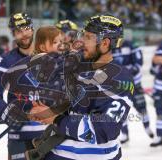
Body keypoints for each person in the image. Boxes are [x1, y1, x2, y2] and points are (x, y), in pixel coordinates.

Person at [29, 14, 135, 160]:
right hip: (56, 153)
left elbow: (103, 129)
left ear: (105, 43)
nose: (81, 41)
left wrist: (56, 119)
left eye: (88, 37)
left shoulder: (120, 79)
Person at [0, 12, 46, 160]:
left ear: (32, 29)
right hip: (20, 137)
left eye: (26, 28)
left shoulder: (50, 56)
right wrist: (6, 111)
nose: (23, 34)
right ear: (13, 34)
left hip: (51, 135)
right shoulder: (5, 61)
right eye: (18, 31)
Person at [112, 40, 154, 144]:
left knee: (142, 107)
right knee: (119, 110)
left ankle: (147, 127)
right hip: (118, 86)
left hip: (134, 83)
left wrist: (123, 74)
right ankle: (124, 134)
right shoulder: (108, 48)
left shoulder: (133, 45)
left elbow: (138, 66)